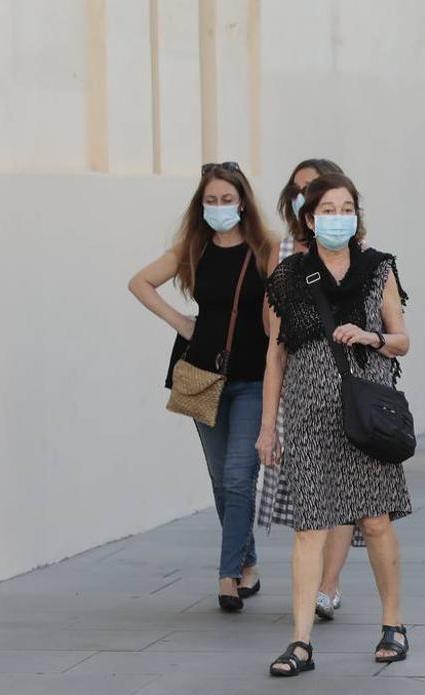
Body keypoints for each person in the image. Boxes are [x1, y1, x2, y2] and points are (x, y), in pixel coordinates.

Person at [258, 172, 413, 676]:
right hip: (307, 414)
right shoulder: (288, 276)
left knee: (374, 518)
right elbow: (275, 358)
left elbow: (402, 340)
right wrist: (268, 427)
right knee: (310, 526)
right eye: (328, 209)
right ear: (309, 218)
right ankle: (300, 642)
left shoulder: (378, 268)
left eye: (346, 208)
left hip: (366, 412)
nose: (338, 217)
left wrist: (370, 337)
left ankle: (393, 624)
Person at [128, 162, 274, 612]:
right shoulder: (194, 248)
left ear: (242, 201)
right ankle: (246, 561)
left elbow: (278, 312)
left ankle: (228, 575)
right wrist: (181, 322)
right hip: (201, 376)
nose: (218, 207)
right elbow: (140, 283)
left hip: (252, 379)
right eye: (210, 200)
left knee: (238, 476)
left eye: (226, 200)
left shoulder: (264, 250)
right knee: (220, 478)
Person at [260, 157, 362, 622]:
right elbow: (272, 334)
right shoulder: (283, 255)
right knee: (310, 497)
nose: (311, 198)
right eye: (303, 191)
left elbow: (389, 331)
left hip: (351, 391)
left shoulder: (367, 260)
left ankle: (328, 584)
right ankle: (303, 621)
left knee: (345, 495)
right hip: (300, 389)